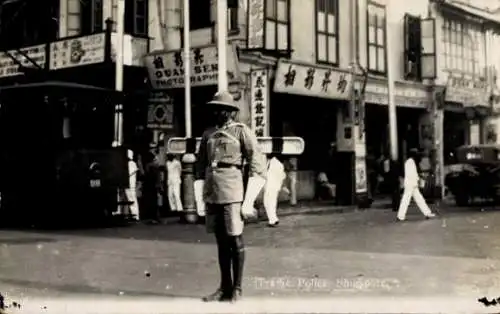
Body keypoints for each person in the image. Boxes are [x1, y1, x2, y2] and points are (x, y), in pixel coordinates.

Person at [194, 91, 267, 302]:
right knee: (220, 241)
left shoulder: (241, 132)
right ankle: (224, 287)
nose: (218, 112)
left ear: (230, 112)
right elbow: (200, 166)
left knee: (234, 237)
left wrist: (249, 200)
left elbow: (257, 163)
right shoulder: (208, 134)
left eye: (222, 109)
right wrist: (200, 197)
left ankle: (237, 288)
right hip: (212, 189)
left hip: (232, 188)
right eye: (215, 109)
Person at [397, 148, 436, 221]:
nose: (417, 155)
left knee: (419, 199)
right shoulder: (410, 162)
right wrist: (419, 179)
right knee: (406, 200)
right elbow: (412, 174)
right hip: (410, 185)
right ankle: (400, 216)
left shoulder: (411, 161)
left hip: (412, 184)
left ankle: (427, 213)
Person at [263, 154, 288, 227]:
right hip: (276, 187)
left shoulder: (270, 163)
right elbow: (283, 177)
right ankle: (274, 218)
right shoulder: (279, 164)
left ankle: (272, 220)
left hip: (269, 186)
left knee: (267, 203)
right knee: (273, 203)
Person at [126, 149, 140, 221]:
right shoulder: (130, 163)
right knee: (129, 199)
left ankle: (135, 215)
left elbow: (129, 173)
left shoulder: (132, 163)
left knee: (132, 199)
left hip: (130, 184)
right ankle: (132, 214)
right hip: (128, 184)